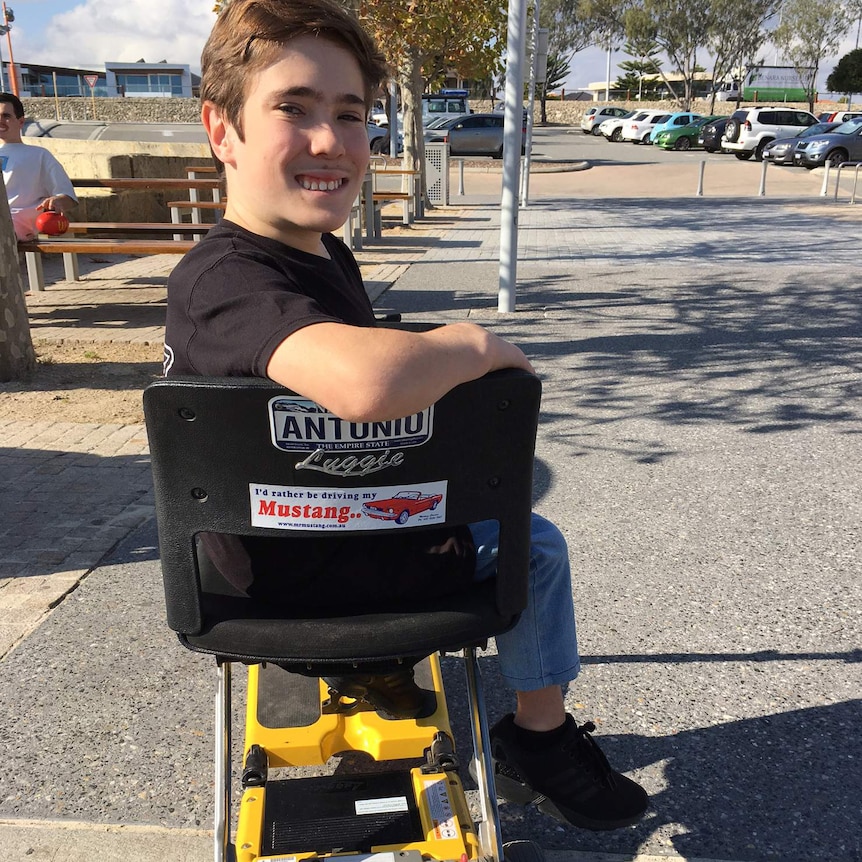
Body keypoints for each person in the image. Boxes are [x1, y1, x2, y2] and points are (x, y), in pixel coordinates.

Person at [163, 0, 648, 833]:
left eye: (350, 114)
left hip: (278, 567)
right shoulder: (226, 282)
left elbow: (352, 359)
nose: (330, 140)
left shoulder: (317, 259)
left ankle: (388, 676)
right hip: (320, 580)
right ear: (222, 130)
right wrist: (473, 340)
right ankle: (540, 735)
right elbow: (361, 385)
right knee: (532, 544)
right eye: (294, 108)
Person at [0, 92, 77, 241]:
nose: (0, 121)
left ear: (21, 121)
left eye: (6, 116)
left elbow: (68, 196)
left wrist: (57, 201)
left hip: (15, 225)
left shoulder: (39, 155)